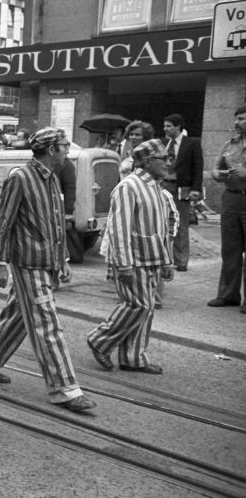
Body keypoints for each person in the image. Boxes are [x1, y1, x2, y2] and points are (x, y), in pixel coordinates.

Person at [0, 127, 96, 412]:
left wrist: (63, 262)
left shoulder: (51, 180)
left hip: (46, 264)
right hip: (27, 263)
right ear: (51, 149)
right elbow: (3, 222)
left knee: (17, 316)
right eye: (64, 145)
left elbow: (56, 225)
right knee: (47, 323)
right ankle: (65, 388)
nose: (68, 150)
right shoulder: (19, 177)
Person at [87, 140, 175, 375]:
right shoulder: (129, 186)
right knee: (139, 305)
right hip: (132, 260)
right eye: (163, 159)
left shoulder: (156, 188)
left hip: (151, 258)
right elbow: (119, 228)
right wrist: (124, 263)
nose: (168, 163)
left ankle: (133, 357)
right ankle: (99, 340)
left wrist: (166, 261)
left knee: (147, 309)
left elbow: (162, 228)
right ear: (147, 161)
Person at [208, 105, 246, 312]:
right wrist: (217, 174)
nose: (236, 122)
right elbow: (216, 167)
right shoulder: (229, 144)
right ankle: (228, 295)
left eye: (241, 119)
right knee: (230, 250)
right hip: (231, 200)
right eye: (236, 119)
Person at [161, 113, 202, 272]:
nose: (165, 129)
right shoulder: (163, 143)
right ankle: (162, 258)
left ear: (178, 126)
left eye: (169, 126)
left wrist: (195, 189)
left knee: (181, 224)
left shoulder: (191, 143)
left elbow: (198, 168)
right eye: (164, 126)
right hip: (163, 186)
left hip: (181, 188)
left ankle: (181, 261)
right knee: (162, 223)